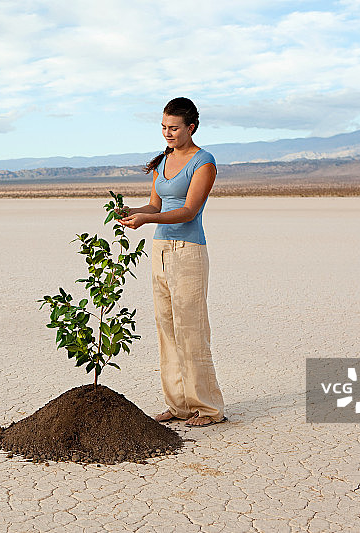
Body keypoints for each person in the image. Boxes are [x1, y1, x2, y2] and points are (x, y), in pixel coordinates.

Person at [118, 97, 227, 427]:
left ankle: (207, 408)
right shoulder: (164, 160)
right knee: (166, 327)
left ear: (190, 127)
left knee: (191, 329)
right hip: (161, 249)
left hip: (188, 249)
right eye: (164, 127)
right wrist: (133, 213)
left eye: (174, 128)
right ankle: (178, 405)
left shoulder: (203, 162)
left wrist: (147, 220)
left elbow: (189, 210)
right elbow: (155, 205)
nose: (167, 133)